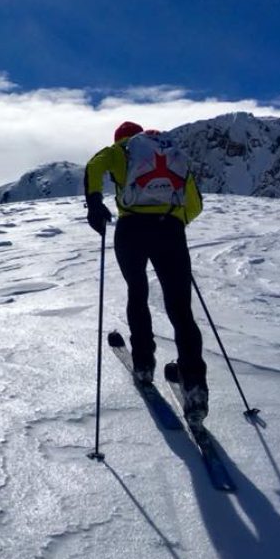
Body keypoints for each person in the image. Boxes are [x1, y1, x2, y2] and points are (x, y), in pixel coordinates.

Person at [84, 121, 209, 424]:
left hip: (131, 231)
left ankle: (143, 363)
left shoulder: (120, 150)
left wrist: (94, 202)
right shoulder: (169, 154)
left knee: (137, 292)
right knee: (180, 308)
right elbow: (194, 204)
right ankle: (194, 384)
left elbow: (93, 167)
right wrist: (173, 222)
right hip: (170, 231)